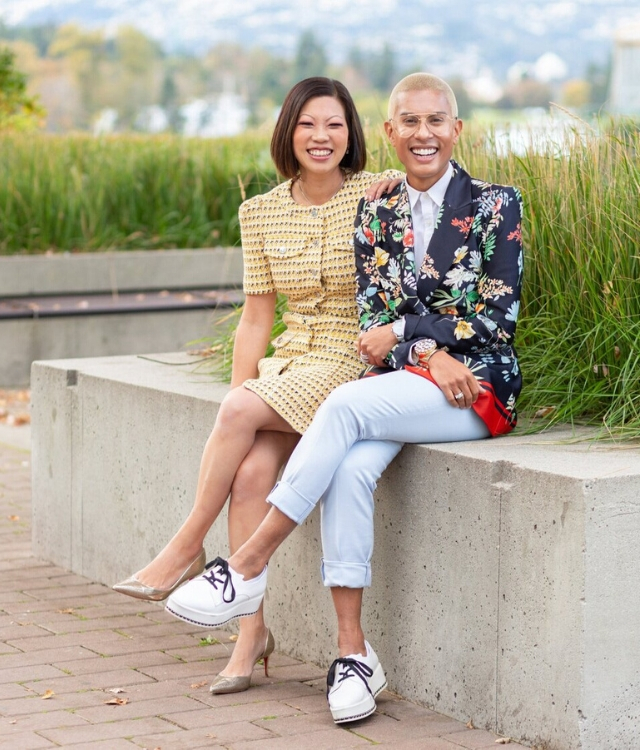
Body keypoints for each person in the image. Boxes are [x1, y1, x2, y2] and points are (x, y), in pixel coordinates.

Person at [165, 72, 524, 724]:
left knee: (344, 405)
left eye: (435, 121)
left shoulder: (498, 204)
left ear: (456, 129)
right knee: (349, 470)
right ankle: (354, 655)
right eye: (409, 121)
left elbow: (497, 318)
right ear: (390, 132)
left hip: (476, 389)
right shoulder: (376, 212)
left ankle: (245, 565)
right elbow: (372, 330)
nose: (423, 133)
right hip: (406, 381)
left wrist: (413, 337)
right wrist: (425, 350)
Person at [113, 76, 400, 695]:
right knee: (247, 476)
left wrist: (241, 407)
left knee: (239, 411)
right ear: (287, 132)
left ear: (351, 133)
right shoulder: (260, 212)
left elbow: (424, 219)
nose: (321, 136)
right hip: (291, 364)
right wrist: (241, 403)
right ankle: (251, 636)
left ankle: (187, 547)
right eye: (307, 124)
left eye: (334, 124)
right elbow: (256, 318)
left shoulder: (377, 195)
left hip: (350, 361)